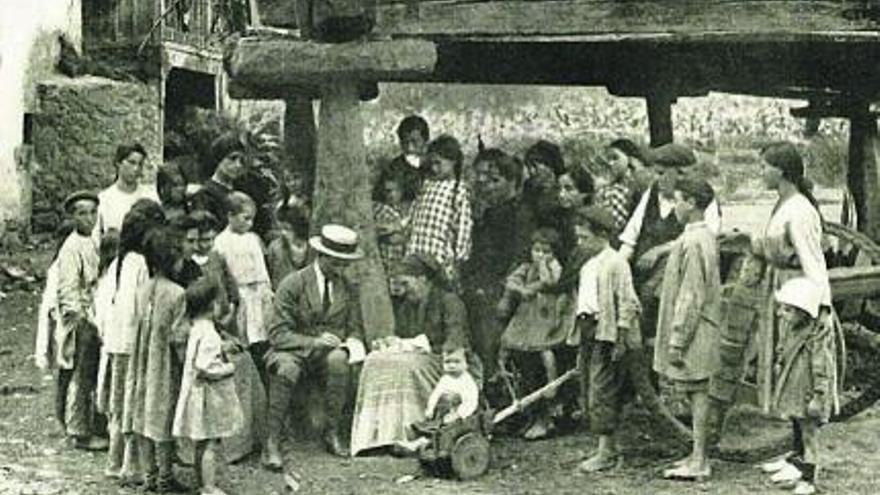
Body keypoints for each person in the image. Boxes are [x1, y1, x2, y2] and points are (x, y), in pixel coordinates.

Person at [715, 142, 840, 489]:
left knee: (802, 380)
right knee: (788, 381)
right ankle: (797, 458)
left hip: (800, 298)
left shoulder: (799, 210)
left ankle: (809, 469)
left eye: (765, 166)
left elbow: (812, 262)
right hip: (783, 292)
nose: (761, 172)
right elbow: (772, 245)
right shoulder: (783, 205)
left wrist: (817, 308)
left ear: (782, 171)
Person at [350, 253, 478, 456]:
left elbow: (456, 344)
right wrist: (391, 343)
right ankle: (378, 437)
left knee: (406, 368)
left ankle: (410, 435)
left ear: (423, 279)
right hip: (422, 358)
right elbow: (404, 338)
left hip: (451, 366)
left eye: (406, 283)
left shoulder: (450, 303)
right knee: (375, 361)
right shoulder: (408, 305)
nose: (404, 289)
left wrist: (418, 346)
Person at [263, 224, 366, 467]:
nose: (342, 269)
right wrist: (314, 342)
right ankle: (272, 442)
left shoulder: (348, 287)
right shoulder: (294, 284)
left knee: (339, 361)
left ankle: (332, 431)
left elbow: (355, 327)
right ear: (322, 256)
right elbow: (277, 334)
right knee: (287, 368)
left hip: (327, 354)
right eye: (337, 263)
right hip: (291, 350)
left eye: (346, 263)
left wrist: (352, 342)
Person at [618, 143, 721, 344]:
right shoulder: (652, 193)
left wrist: (661, 250)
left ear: (680, 173)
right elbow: (630, 237)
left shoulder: (700, 198)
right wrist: (618, 266)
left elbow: (706, 238)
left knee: (652, 302)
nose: (656, 178)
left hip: (675, 277)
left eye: (661, 173)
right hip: (641, 272)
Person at [653, 178, 721, 481]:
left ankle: (700, 460)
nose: (674, 206)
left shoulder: (694, 241)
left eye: (678, 200)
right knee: (697, 393)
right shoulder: (701, 236)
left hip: (696, 330)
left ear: (692, 203)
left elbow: (691, 295)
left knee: (699, 394)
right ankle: (697, 454)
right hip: (701, 327)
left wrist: (677, 340)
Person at [570, 206, 641, 472]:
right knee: (589, 386)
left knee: (602, 389)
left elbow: (627, 301)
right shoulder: (588, 263)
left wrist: (621, 336)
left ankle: (606, 452)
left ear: (601, 235)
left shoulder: (615, 262)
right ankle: (606, 445)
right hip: (588, 330)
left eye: (584, 237)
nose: (580, 243)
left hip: (606, 332)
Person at [105, 200, 166, 486]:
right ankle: (131, 466)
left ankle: (116, 461)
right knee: (131, 401)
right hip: (131, 341)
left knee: (121, 402)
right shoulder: (139, 263)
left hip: (118, 340)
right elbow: (135, 307)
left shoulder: (121, 260)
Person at [758, 278, 838, 495]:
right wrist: (779, 360)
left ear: (803, 311)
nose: (780, 314)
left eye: (786, 310)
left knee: (808, 434)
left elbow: (822, 369)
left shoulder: (816, 336)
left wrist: (819, 396)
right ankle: (795, 461)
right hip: (794, 385)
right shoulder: (792, 327)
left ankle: (809, 478)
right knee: (796, 424)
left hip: (808, 392)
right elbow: (783, 346)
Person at [124, 227, 189, 493]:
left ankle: (148, 475)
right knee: (163, 417)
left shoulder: (143, 288)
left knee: (142, 415)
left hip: (141, 362)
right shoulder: (177, 293)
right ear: (173, 259)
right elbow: (179, 336)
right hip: (164, 365)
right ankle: (164, 477)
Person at [174, 280, 244, 495]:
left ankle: (202, 482)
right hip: (208, 396)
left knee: (201, 442)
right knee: (211, 442)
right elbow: (205, 366)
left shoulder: (197, 328)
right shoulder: (211, 334)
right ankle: (210, 487)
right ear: (212, 305)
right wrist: (228, 367)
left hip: (195, 392)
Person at [496, 228, 566, 439]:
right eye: (536, 250)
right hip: (527, 317)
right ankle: (529, 413)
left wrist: (542, 267)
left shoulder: (553, 266)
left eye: (546, 251)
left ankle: (551, 394)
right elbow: (511, 281)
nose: (540, 255)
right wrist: (520, 289)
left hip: (546, 316)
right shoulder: (526, 268)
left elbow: (550, 281)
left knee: (544, 351)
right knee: (515, 350)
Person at [55, 190, 106, 451]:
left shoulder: (94, 241)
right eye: (82, 213)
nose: (89, 218)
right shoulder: (71, 247)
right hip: (82, 318)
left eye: (93, 212)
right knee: (81, 374)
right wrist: (80, 319)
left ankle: (94, 423)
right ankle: (78, 430)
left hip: (95, 313)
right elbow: (68, 289)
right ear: (72, 217)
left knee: (94, 371)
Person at [212, 192, 274, 389]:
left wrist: (267, 289)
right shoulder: (222, 241)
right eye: (245, 218)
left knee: (261, 337)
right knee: (244, 335)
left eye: (252, 219)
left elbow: (261, 267)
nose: (250, 223)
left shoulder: (253, 239)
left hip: (258, 293)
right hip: (240, 294)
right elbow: (224, 273)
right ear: (230, 216)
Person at [406, 135, 473, 284]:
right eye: (432, 164)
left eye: (439, 163)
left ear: (453, 162)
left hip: (438, 259)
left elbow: (463, 229)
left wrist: (459, 259)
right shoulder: (426, 185)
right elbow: (413, 215)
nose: (434, 168)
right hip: (416, 251)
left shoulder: (458, 190)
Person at [396, 346, 480, 454]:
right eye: (447, 362)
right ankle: (418, 441)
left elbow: (471, 402)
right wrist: (430, 409)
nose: (452, 366)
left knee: (444, 430)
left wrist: (459, 414)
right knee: (430, 425)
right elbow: (435, 394)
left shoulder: (467, 381)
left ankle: (422, 443)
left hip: (462, 416)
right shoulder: (445, 379)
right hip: (444, 412)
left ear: (466, 364)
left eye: (457, 362)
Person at [93, 143, 160, 242]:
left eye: (140, 164)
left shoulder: (151, 195)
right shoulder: (104, 199)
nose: (136, 169)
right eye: (131, 162)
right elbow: (95, 239)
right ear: (118, 163)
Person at [189, 133, 247, 232]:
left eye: (241, 160)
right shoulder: (206, 193)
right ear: (218, 159)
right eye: (232, 158)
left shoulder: (242, 189)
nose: (238, 165)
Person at [372, 115, 431, 204]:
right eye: (405, 142)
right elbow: (378, 198)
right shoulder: (393, 168)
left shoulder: (434, 164)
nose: (410, 148)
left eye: (415, 142)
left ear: (425, 140)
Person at [373, 174, 412, 280]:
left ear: (401, 191)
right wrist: (401, 228)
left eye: (396, 190)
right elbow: (390, 237)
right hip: (384, 266)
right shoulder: (378, 208)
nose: (391, 194)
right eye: (388, 191)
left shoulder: (407, 210)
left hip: (401, 268)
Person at [522, 140, 567, 229]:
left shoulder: (565, 189)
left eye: (535, 166)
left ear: (550, 166)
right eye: (528, 166)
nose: (531, 171)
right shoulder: (529, 188)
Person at [266, 202, 310, 290]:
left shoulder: (308, 245)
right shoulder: (275, 246)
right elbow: (270, 270)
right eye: (280, 228)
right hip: (280, 290)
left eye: (287, 229)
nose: (283, 232)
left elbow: (301, 263)